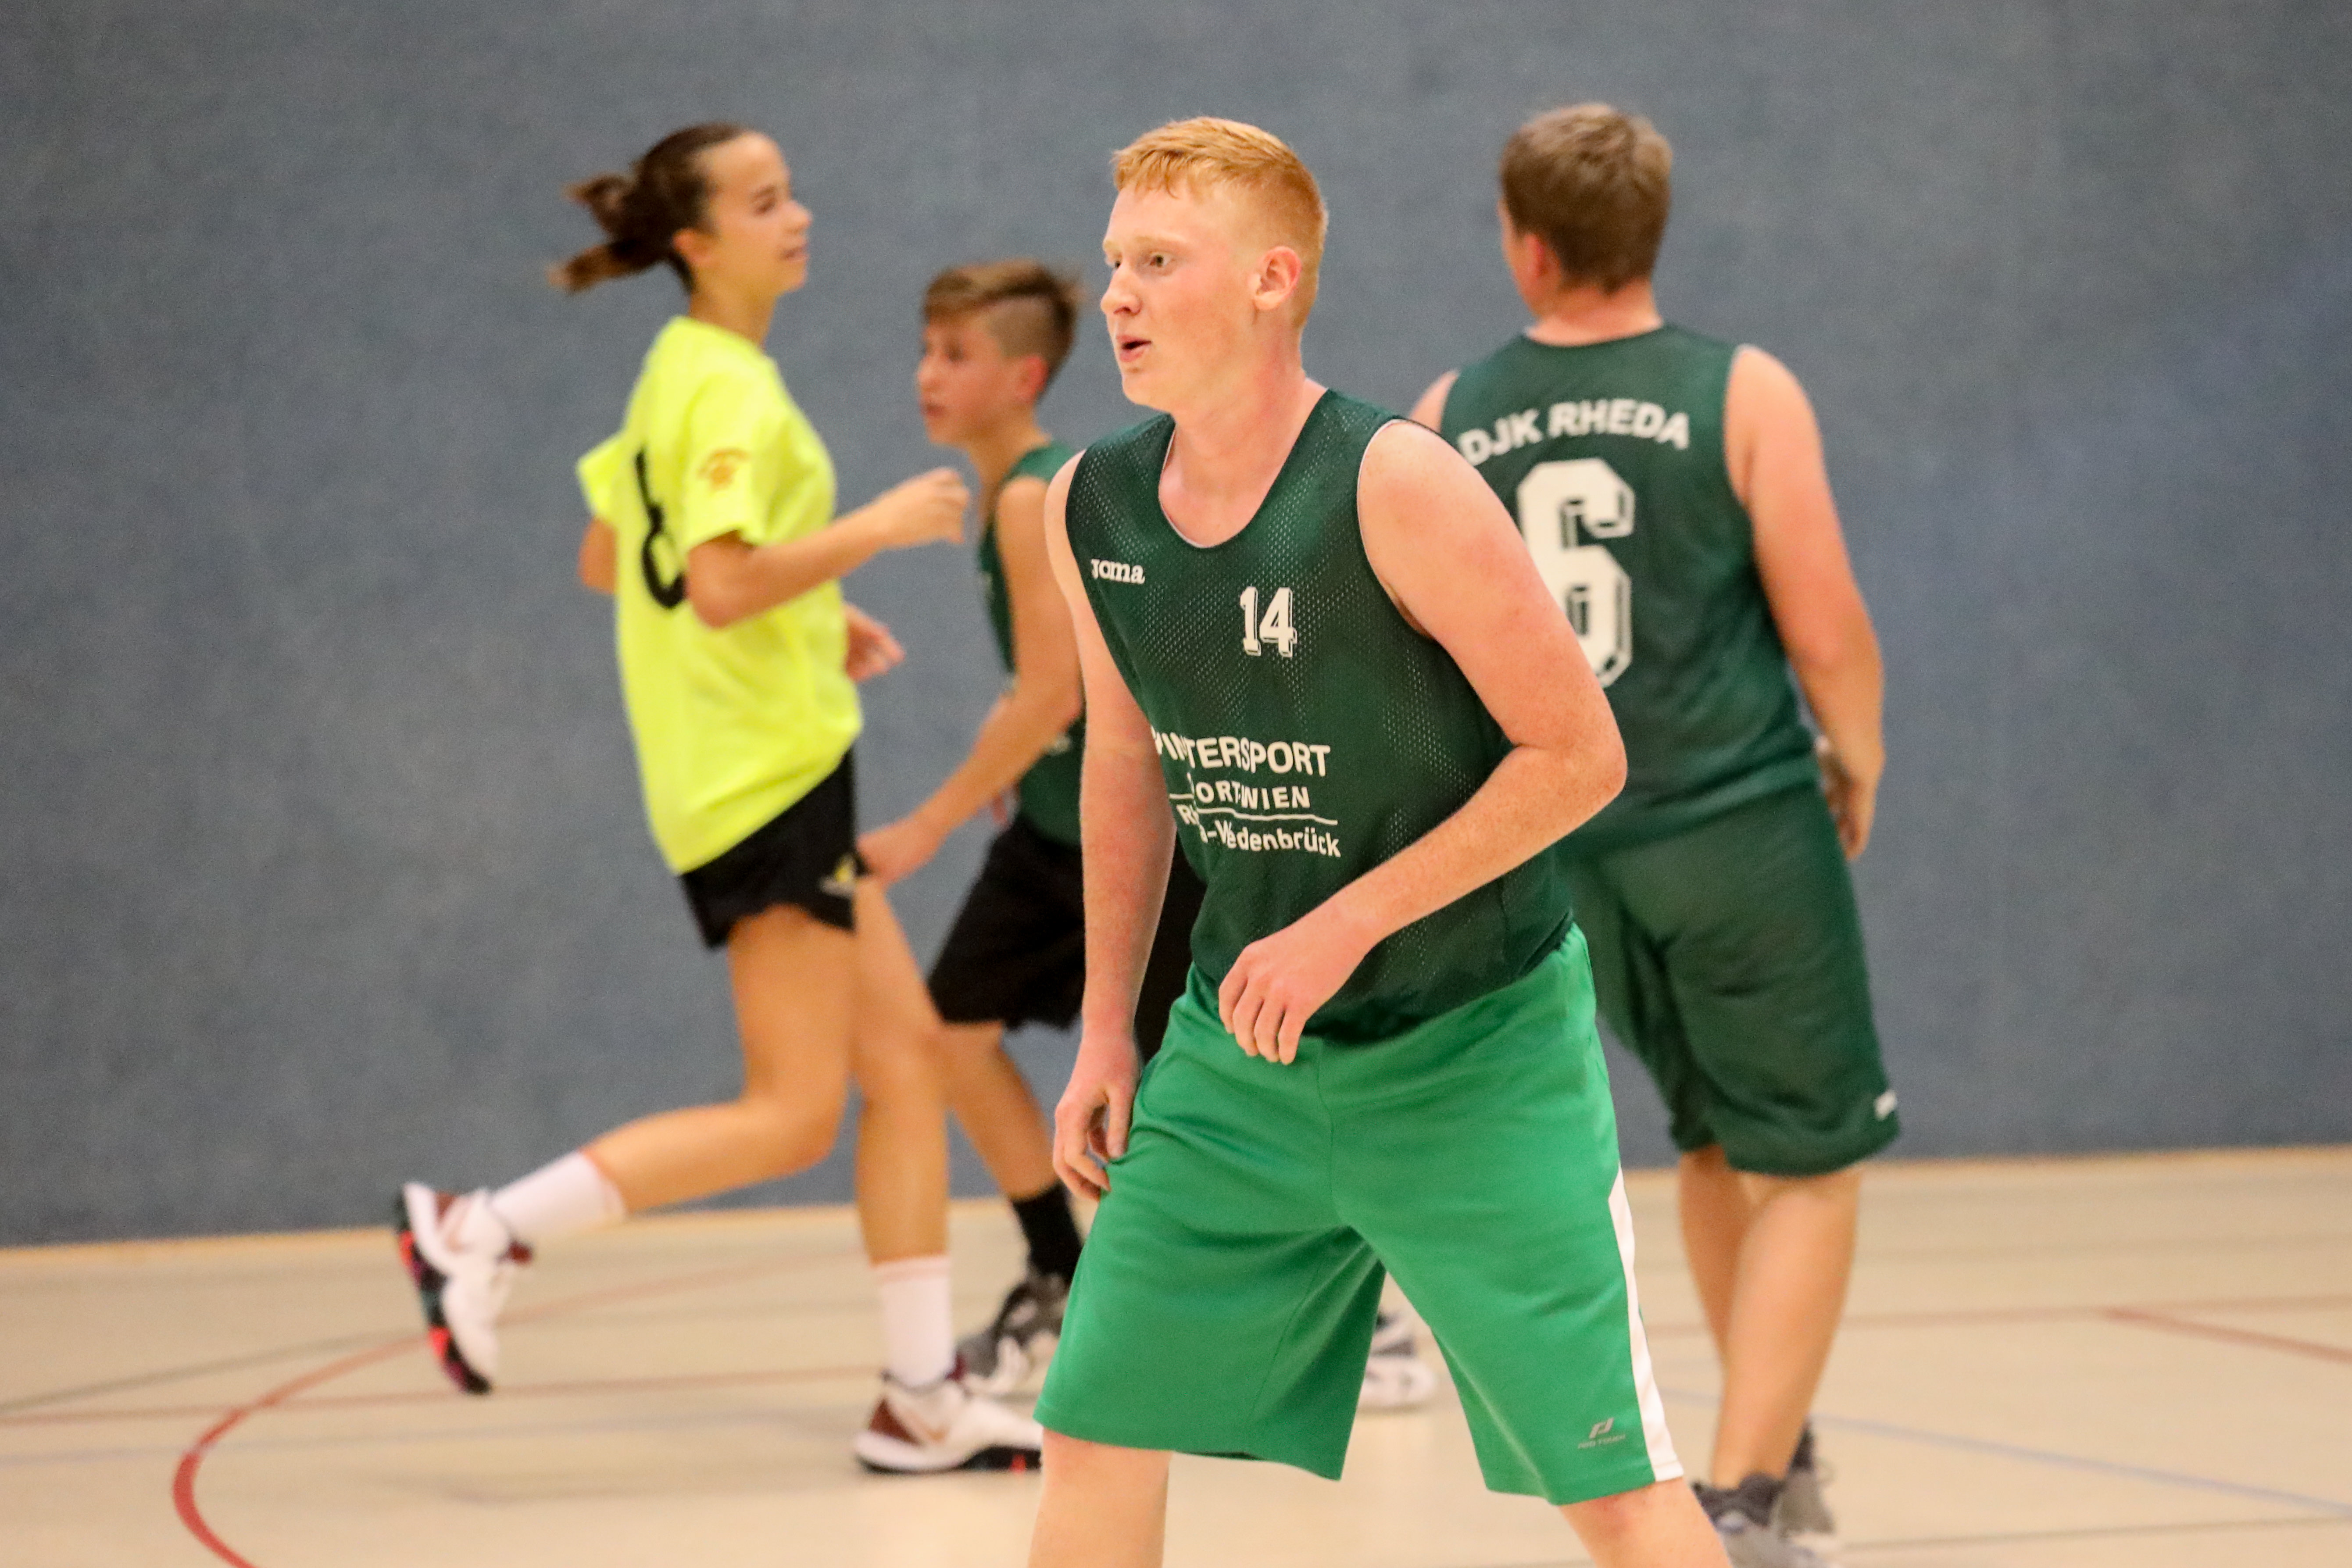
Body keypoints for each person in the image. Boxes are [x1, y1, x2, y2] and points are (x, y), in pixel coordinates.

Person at [1025, 117, 1727, 1568]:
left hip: (1473, 1054)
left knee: (1610, 1487)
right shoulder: (1086, 505)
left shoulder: (1394, 482)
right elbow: (1127, 758)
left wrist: (1347, 921)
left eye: (1158, 262)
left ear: (1273, 279)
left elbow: (1578, 755)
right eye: (1113, 262)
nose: (1117, 296)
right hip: (1241, 1062)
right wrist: (1104, 1028)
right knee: (1093, 1425)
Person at [393, 123, 1041, 1475]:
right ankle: (482, 1229)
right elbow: (721, 581)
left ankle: (921, 1397)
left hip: (761, 765)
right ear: (694, 242)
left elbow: (609, 557)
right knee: (793, 1113)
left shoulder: (677, 374)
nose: (794, 217)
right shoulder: (729, 393)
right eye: (761, 203)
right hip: (764, 782)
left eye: (790, 194)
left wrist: (815, 617)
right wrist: (872, 533)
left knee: (907, 1065)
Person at [1412, 104, 1897, 1565]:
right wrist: (1859, 754)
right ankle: (1740, 1499)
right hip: (1732, 826)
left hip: (1565, 848)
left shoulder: (1446, 414)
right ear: (1651, 233)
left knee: (1707, 1139)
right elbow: (1825, 626)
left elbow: (1423, 661)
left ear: (1526, 246)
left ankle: (1768, 1450)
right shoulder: (1739, 392)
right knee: (1807, 1160)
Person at [856, 260, 1209, 1397]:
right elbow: (1057, 681)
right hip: (1058, 831)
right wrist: (1015, 738)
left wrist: (925, 824)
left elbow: (1055, 694)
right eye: (926, 350)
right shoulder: (1025, 488)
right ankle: (1061, 1269)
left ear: (1024, 376)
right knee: (950, 1033)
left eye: (956, 355)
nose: (928, 374)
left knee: (1192, 1089)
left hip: (1133, 836)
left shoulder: (1027, 497)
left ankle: (1357, 1314)